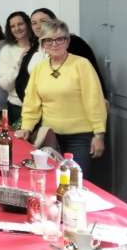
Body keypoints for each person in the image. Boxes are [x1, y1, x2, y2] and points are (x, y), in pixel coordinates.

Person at [18, 20, 106, 176]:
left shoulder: (81, 65)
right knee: (51, 180)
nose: (54, 44)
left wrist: (99, 134)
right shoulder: (40, 69)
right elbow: (31, 102)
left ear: (68, 41)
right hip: (51, 137)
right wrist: (27, 127)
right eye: (49, 40)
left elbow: (94, 101)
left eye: (60, 39)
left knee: (74, 182)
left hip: (80, 138)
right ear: (42, 44)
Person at [15, 7, 105, 103]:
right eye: (34, 23)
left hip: (72, 105)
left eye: (43, 21)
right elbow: (21, 80)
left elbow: (91, 78)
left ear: (54, 22)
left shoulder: (75, 43)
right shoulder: (33, 48)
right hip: (39, 108)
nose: (38, 26)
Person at [0, 11, 33, 124]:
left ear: (28, 24)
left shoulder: (41, 46)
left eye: (20, 24)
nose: (17, 28)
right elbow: (5, 85)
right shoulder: (7, 50)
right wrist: (19, 64)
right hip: (17, 107)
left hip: (42, 107)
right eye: (13, 26)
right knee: (18, 141)